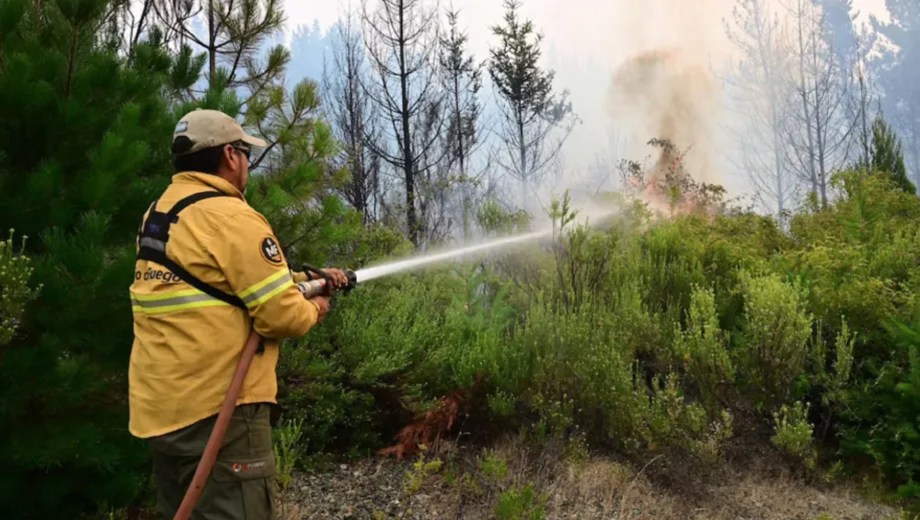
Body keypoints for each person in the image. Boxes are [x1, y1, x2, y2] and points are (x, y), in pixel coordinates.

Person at [128, 108, 348, 519]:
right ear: (230, 155)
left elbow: (214, 281)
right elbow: (281, 316)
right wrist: (315, 307)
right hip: (220, 414)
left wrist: (305, 278)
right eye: (245, 153)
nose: (247, 163)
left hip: (161, 410)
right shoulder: (231, 217)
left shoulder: (161, 213)